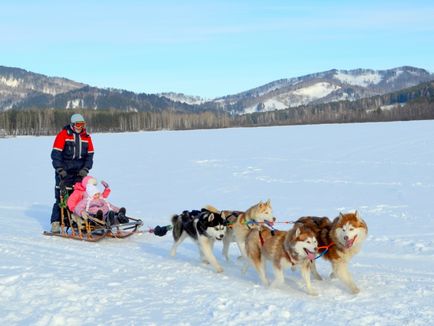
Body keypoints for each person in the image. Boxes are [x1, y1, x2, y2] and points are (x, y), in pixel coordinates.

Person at [50, 113, 94, 232]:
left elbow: (90, 156)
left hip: (79, 173)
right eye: (78, 124)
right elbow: (56, 154)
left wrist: (85, 169)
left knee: (79, 198)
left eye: (82, 124)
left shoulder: (87, 137)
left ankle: (77, 222)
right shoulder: (63, 135)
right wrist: (59, 169)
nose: (80, 127)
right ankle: (56, 222)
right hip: (64, 172)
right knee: (62, 199)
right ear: (73, 124)